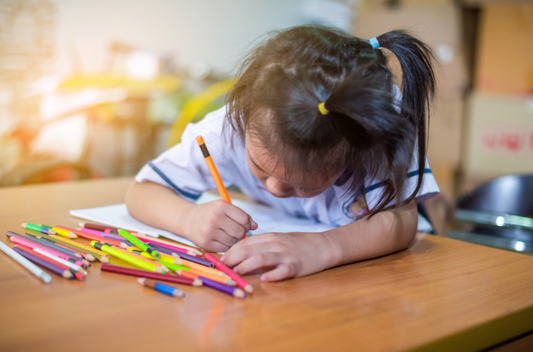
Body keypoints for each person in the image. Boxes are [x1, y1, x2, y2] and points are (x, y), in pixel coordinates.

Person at [126, 25, 439, 282]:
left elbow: (400, 220)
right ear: (242, 121)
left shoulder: (374, 128)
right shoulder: (225, 130)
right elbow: (142, 191)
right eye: (260, 168)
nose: (274, 188)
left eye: (303, 184)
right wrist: (188, 218)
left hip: (389, 273)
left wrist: (321, 248)